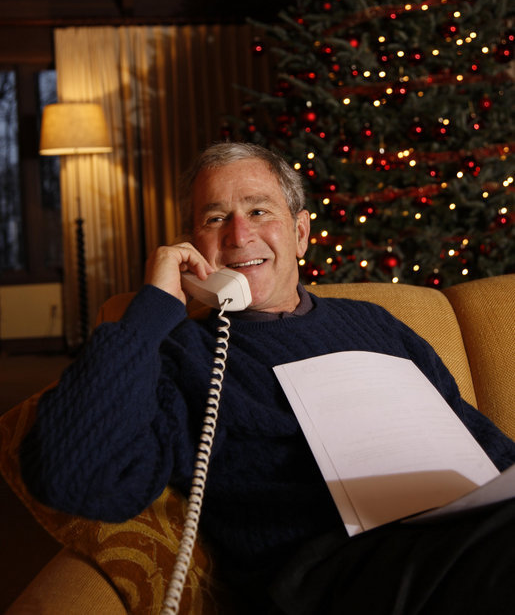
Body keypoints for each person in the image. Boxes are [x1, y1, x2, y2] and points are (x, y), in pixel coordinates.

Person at [20, 142, 515, 614]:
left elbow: (477, 441)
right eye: (215, 218)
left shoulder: (375, 322)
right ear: (194, 247)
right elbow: (72, 474)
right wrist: (154, 309)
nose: (238, 235)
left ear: (299, 233)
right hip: (337, 577)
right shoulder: (182, 354)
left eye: (259, 211)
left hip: (461, 537)